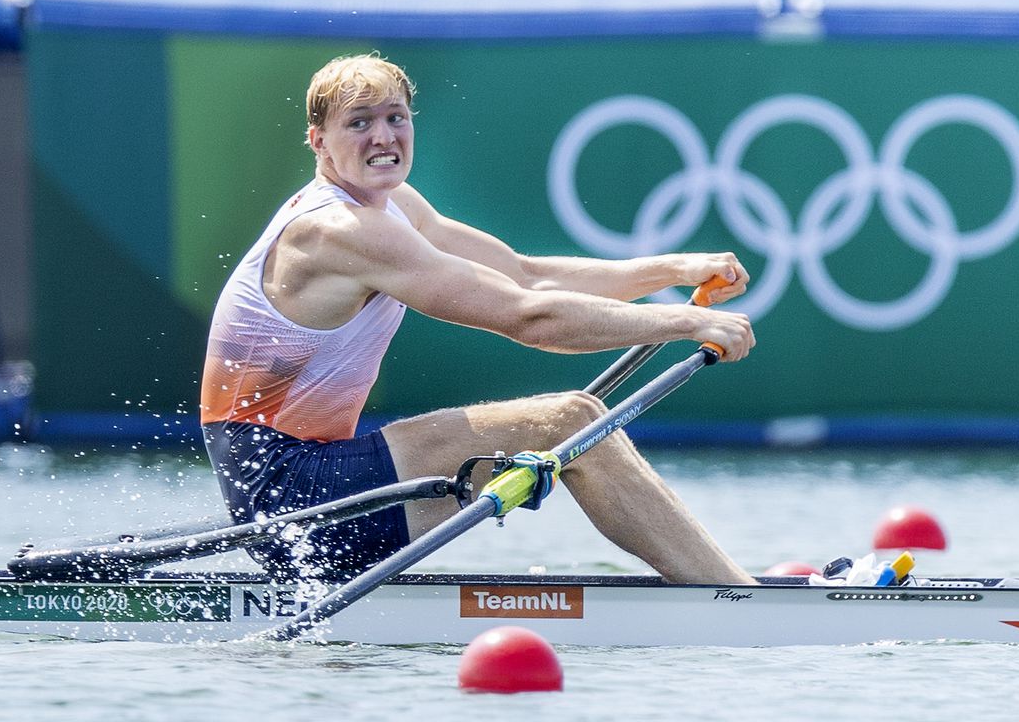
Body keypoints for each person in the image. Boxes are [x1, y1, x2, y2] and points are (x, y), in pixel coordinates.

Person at [200, 53, 758, 585]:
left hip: (309, 486)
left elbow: (525, 274)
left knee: (574, 419)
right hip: (292, 499)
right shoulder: (338, 232)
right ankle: (737, 595)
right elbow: (528, 318)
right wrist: (683, 325)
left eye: (396, 118)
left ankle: (728, 587)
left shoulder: (394, 207)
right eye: (359, 123)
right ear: (319, 141)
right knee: (567, 419)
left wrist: (671, 269)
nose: (383, 137)